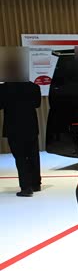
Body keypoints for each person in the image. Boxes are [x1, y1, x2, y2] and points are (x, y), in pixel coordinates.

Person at [0, 53, 42, 197]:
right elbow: (37, 104)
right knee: (33, 155)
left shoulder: (4, 89)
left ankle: (26, 187)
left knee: (20, 157)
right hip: (31, 126)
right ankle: (36, 183)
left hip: (13, 127)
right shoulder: (34, 87)